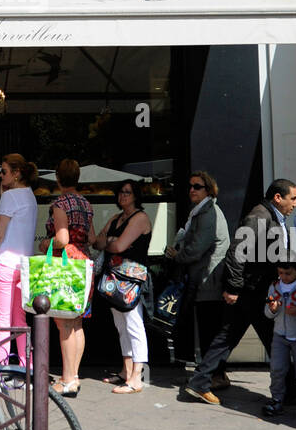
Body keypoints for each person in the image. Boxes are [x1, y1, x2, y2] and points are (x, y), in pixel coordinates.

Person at [184, 178, 296, 405]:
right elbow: (236, 254)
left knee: (227, 338)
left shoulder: (272, 217)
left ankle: (199, 382)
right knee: (274, 340)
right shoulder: (259, 218)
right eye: (293, 198)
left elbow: (278, 254)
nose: (295, 204)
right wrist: (234, 287)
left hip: (255, 289)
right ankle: (291, 393)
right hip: (252, 291)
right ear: (278, 197)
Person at [164, 169, 231, 389]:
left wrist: (178, 255)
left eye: (197, 186)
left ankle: (216, 376)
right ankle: (211, 373)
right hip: (203, 278)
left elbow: (198, 248)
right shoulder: (200, 211)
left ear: (208, 189)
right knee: (206, 328)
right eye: (190, 186)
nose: (192, 190)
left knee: (209, 329)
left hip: (208, 279)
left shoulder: (208, 212)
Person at [91, 179, 151, 395]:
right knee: (121, 324)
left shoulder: (140, 218)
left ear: (136, 195)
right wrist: (111, 240)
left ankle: (137, 376)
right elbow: (97, 242)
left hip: (131, 280)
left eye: (127, 192)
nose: (123, 196)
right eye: (120, 192)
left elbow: (118, 245)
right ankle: (126, 371)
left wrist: (111, 240)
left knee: (134, 323)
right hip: (114, 280)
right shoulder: (117, 218)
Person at [0, 153, 39, 366]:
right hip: (23, 265)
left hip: (5, 263)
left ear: (16, 174)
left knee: (2, 322)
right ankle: (27, 367)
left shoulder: (10, 197)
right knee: (19, 321)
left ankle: (2, 369)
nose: (0, 174)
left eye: (4, 171)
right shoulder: (29, 196)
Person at [44, 158, 94, 397]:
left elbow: (62, 239)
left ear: (58, 178)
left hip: (66, 264)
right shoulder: (86, 203)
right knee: (77, 322)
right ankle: (74, 375)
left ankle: (66, 379)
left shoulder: (60, 203)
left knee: (63, 323)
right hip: (84, 261)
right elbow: (91, 238)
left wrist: (46, 242)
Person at [261, 262, 296, 418]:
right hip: (279, 335)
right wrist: (272, 310)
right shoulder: (274, 287)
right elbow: (267, 312)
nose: (284, 277)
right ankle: (277, 399)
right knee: (277, 369)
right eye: (281, 273)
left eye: (288, 273)